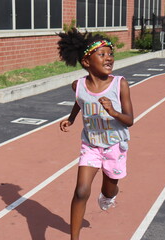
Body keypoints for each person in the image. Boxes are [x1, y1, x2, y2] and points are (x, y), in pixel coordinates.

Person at [57, 28, 134, 240]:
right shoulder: (78, 86)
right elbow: (80, 101)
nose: (109, 58)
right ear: (86, 62)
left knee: (109, 190)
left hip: (115, 146)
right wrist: (71, 118)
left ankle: (109, 195)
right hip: (91, 145)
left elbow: (130, 120)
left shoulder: (120, 84)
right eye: (102, 54)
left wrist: (113, 111)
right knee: (81, 191)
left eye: (111, 54)